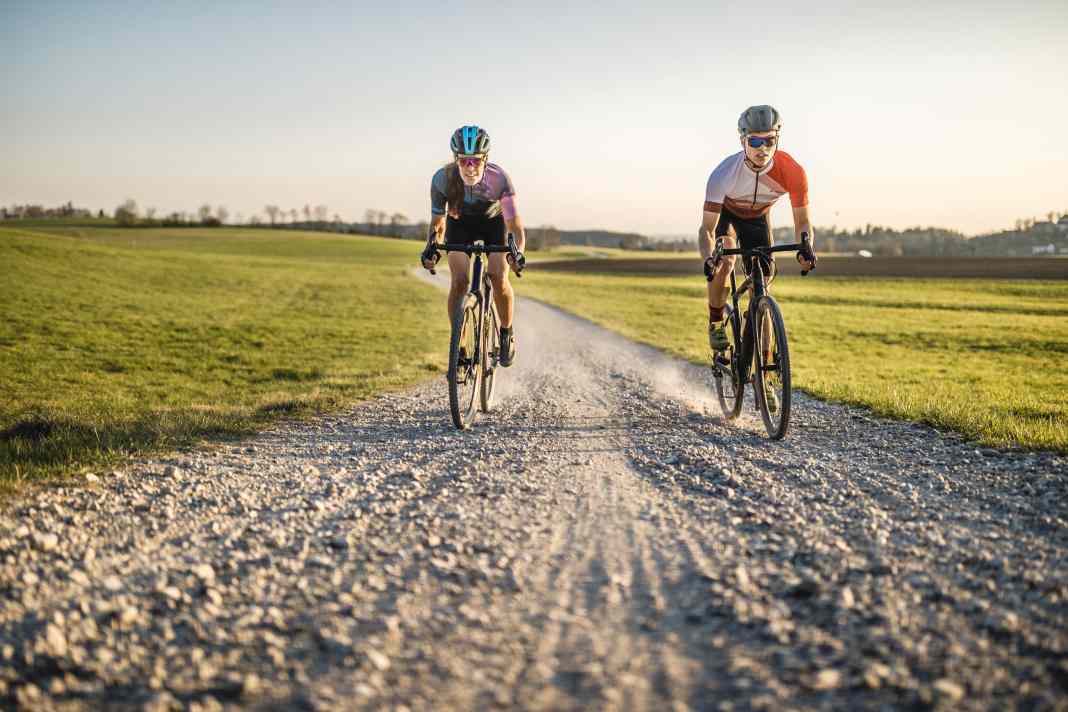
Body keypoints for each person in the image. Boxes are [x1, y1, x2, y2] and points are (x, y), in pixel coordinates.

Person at [699, 105, 816, 410]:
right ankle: (715, 323)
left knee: (762, 287)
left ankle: (763, 378)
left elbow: (803, 223)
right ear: (743, 141)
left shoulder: (792, 171)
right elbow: (706, 229)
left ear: (778, 138)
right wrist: (708, 257)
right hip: (726, 215)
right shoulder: (724, 174)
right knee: (724, 263)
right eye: (755, 142)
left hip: (757, 221)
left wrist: (806, 248)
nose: (763, 148)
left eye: (770, 141)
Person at [421, 125, 526, 366]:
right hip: (460, 224)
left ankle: (506, 332)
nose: (470, 167)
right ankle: (459, 343)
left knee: (498, 276)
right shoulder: (442, 180)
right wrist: (431, 248)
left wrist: (517, 253)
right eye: (464, 161)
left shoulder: (499, 179)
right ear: (456, 159)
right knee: (459, 282)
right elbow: (437, 223)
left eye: (476, 161)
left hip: (494, 224)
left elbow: (515, 226)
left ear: (485, 159)